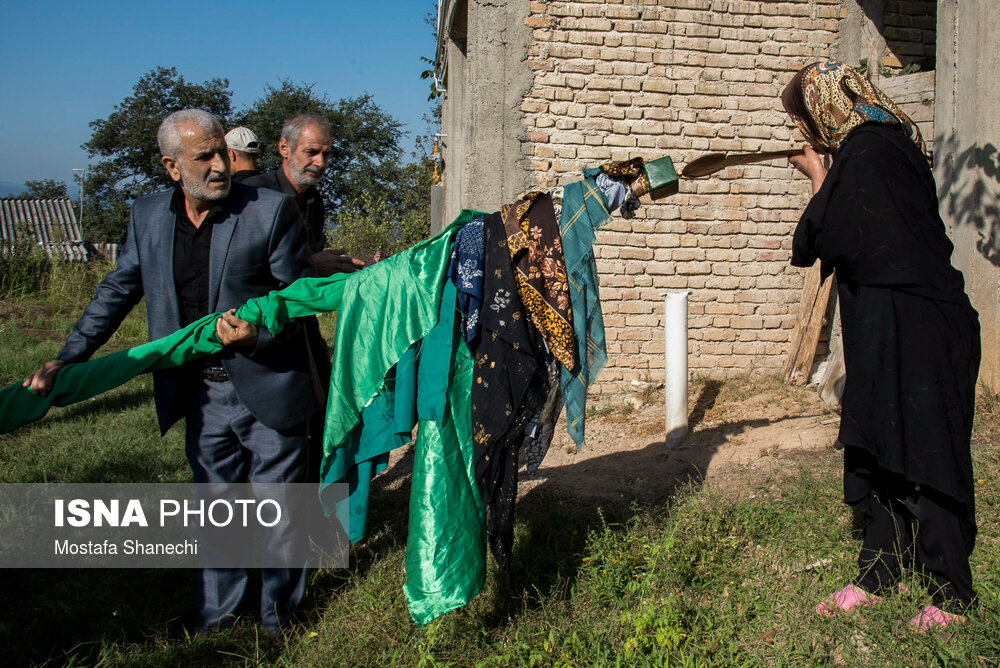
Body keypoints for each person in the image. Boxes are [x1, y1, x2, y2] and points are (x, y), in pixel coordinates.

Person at [23, 109, 324, 635]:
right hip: (199, 394)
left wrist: (258, 334)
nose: (219, 165)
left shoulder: (270, 212)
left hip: (268, 384)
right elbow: (116, 292)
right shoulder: (147, 217)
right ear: (171, 166)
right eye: (202, 156)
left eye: (220, 152)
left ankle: (282, 621)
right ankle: (219, 622)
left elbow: (296, 301)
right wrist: (69, 358)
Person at [782, 60, 981, 631]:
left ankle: (952, 595)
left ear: (824, 106)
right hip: (889, 325)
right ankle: (881, 575)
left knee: (924, 455)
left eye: (804, 120)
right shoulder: (881, 150)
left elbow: (826, 238)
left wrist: (819, 178)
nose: (806, 134)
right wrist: (827, 175)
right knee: (877, 447)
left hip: (920, 328)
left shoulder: (871, 151)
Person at [244, 113, 364, 276]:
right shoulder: (255, 194)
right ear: (284, 148)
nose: (320, 163)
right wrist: (310, 265)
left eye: (326, 154)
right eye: (311, 152)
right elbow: (241, 269)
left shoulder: (313, 200)